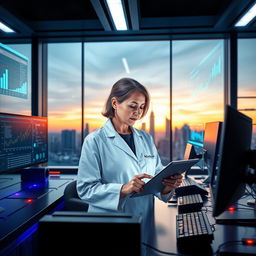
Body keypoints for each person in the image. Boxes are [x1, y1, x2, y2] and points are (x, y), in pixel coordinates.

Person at [77, 77, 182, 252]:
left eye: (142, 107)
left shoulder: (146, 138)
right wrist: (124, 189)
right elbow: (85, 189)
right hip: (110, 225)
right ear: (115, 103)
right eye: (133, 106)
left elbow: (156, 177)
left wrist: (167, 186)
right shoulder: (95, 141)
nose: (138, 113)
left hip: (145, 221)